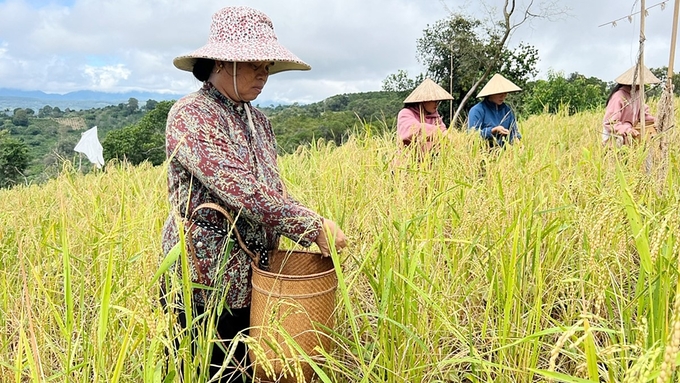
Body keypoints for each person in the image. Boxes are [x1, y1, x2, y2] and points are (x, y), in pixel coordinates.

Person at [160, 6, 347, 382]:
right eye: (254, 65)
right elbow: (241, 189)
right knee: (207, 369)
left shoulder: (259, 121)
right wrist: (311, 226)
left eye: (267, 67)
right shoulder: (191, 115)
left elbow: (272, 189)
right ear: (221, 62)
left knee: (251, 368)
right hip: (204, 277)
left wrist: (308, 224)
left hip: (255, 276)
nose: (264, 75)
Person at [395, 78, 454, 162]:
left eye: (438, 101)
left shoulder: (435, 117)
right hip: (408, 164)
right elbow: (414, 129)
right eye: (433, 100)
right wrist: (437, 133)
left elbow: (444, 132)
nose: (436, 104)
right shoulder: (405, 113)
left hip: (430, 163)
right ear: (423, 101)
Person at [602, 64, 661, 146]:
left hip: (628, 135)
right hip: (614, 137)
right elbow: (609, 123)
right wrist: (627, 129)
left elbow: (643, 114)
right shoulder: (618, 97)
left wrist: (656, 121)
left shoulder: (638, 94)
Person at [467, 73, 522, 148]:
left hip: (503, 154)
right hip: (482, 154)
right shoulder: (477, 110)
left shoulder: (507, 110)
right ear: (490, 93)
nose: (503, 96)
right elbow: (472, 135)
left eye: (505, 93)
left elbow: (514, 131)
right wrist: (492, 131)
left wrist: (517, 142)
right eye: (499, 93)